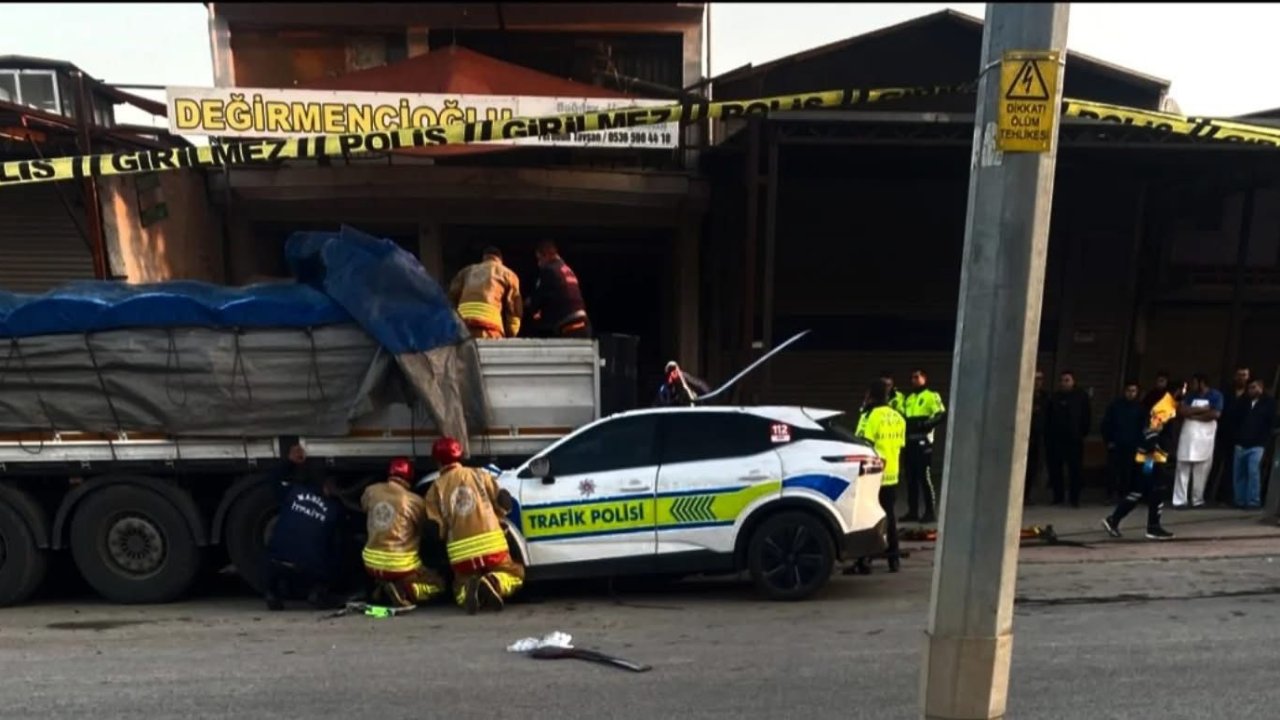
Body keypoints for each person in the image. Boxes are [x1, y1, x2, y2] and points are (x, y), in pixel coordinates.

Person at [423, 437, 525, 614]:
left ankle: (470, 590)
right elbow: (503, 504)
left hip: (460, 552)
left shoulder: (435, 489)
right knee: (515, 574)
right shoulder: (479, 474)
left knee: (459, 590)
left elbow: (436, 529)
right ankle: (494, 582)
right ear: (460, 455)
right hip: (493, 545)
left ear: (437, 461)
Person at [263, 444, 345, 611]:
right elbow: (335, 545)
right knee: (336, 550)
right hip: (309, 570)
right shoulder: (334, 510)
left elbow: (272, 479)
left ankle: (272, 592)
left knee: (274, 552)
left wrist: (289, 462)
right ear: (329, 489)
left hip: (277, 565)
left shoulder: (293, 492)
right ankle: (318, 592)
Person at [360, 457, 448, 608]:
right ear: (409, 478)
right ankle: (406, 591)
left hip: (370, 563)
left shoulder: (370, 491)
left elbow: (364, 508)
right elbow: (423, 530)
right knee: (439, 584)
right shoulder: (415, 502)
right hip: (400, 566)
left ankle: (381, 587)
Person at [1101, 388, 1178, 541]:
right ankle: (1152, 527)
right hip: (1151, 458)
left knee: (1141, 490)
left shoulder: (1165, 408)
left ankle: (1115, 520)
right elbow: (1151, 433)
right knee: (1154, 489)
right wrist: (1153, 452)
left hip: (1151, 456)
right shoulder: (1162, 408)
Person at [852, 380, 907, 574]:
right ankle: (894, 559)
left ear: (870, 396)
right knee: (890, 516)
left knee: (867, 517)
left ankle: (864, 560)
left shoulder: (871, 416)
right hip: (892, 474)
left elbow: (862, 443)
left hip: (873, 475)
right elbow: (900, 444)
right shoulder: (897, 417)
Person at [900, 368, 946, 524]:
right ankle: (912, 511)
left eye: (917, 377)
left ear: (924, 378)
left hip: (923, 443)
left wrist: (926, 424)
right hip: (909, 442)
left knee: (924, 478)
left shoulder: (931, 396)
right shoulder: (909, 399)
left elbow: (941, 414)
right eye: (912, 377)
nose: (914, 380)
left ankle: (930, 512)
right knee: (910, 478)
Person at [447, 247, 523, 339]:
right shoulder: (508, 274)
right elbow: (513, 308)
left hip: (463, 324)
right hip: (489, 326)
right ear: (500, 260)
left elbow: (451, 298)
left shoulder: (466, 271)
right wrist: (512, 332)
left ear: (484, 258)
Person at [1174, 372, 1224, 509]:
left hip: (1205, 436)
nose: (1192, 385)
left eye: (1194, 382)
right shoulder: (1190, 395)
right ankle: (1179, 500)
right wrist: (1202, 409)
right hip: (1188, 435)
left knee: (1201, 470)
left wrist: (1194, 415)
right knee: (1182, 468)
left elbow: (1215, 414)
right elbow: (1182, 411)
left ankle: (1197, 500)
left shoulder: (1215, 395)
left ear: (1202, 383)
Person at [526, 240, 591, 339]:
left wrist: (529, 305)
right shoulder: (567, 270)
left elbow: (537, 299)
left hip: (568, 325)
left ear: (547, 255)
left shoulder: (549, 271)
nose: (539, 264)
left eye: (539, 259)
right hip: (583, 322)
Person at [1046, 370, 1091, 507]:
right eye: (1062, 380)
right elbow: (1048, 418)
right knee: (1055, 469)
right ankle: (1058, 496)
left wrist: (1081, 433)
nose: (1064, 383)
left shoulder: (1081, 397)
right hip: (1056, 440)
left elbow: (1086, 417)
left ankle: (1074, 499)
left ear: (1073, 381)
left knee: (1075, 470)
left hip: (1074, 440)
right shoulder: (1054, 397)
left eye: (1067, 380)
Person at [1211, 366, 1253, 504]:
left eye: (1244, 375)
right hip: (1222, 433)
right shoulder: (1226, 392)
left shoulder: (1250, 395)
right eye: (1239, 375)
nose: (1242, 377)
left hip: (1238, 435)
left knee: (1231, 468)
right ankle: (1208, 494)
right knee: (1214, 465)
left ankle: (1225, 496)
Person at [1232, 378, 1274, 510]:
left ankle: (1253, 501)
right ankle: (1240, 500)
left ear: (1260, 387)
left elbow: (1270, 422)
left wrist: (1265, 439)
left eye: (1253, 387)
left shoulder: (1268, 403)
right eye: (1249, 388)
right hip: (1241, 442)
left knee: (1253, 473)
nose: (1251, 390)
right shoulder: (1243, 402)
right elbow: (1235, 419)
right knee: (1239, 474)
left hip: (1258, 444)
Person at [1100, 380, 1144, 503]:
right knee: (1112, 471)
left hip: (1132, 445)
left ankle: (1123, 495)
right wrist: (1108, 440)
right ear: (1124, 392)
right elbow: (1106, 424)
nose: (1131, 394)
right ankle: (1109, 495)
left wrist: (1140, 444)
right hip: (1116, 444)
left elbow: (1143, 427)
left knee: (1127, 472)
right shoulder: (1115, 406)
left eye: (1133, 391)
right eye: (1129, 391)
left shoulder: (1140, 408)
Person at [1026, 370, 1049, 501]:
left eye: (1040, 379)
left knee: (1034, 468)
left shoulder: (1045, 398)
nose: (1037, 382)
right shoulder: (1024, 394)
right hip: (1024, 437)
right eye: (1035, 379)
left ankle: (1028, 495)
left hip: (1039, 438)